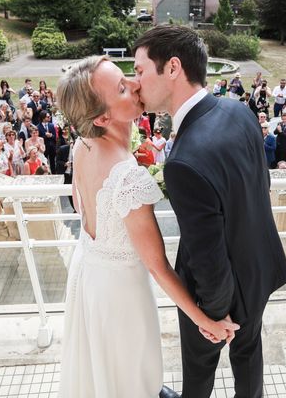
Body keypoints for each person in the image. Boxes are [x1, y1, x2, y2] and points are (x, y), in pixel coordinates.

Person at [56, 55, 239, 398]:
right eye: (123, 88)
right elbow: (157, 267)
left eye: (128, 77)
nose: (137, 84)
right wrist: (206, 321)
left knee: (103, 367)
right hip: (119, 291)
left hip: (88, 272)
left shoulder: (83, 144)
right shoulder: (128, 177)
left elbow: (80, 204)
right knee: (129, 367)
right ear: (103, 117)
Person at [133, 25, 286, 398]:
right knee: (249, 353)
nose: (136, 81)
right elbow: (259, 187)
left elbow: (208, 258)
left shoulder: (184, 162)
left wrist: (213, 317)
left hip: (217, 294)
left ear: (172, 68)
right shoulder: (239, 111)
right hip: (260, 267)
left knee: (200, 368)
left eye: (139, 70)